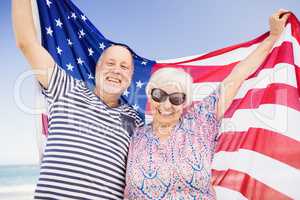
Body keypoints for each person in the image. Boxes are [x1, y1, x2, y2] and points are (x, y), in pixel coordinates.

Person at [124, 10, 290, 199]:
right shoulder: (135, 136)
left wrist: (273, 37)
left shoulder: (200, 123)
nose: (166, 104)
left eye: (176, 98)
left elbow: (237, 76)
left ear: (184, 103)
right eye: (159, 94)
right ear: (149, 96)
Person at [12, 0, 143, 199]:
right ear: (98, 67)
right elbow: (27, 43)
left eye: (124, 67)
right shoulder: (66, 88)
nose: (116, 70)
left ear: (130, 77)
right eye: (110, 63)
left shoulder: (136, 121)